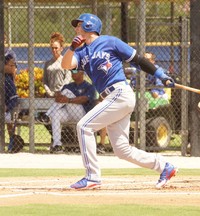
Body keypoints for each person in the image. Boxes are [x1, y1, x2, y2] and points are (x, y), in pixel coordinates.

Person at [61, 13, 177, 189]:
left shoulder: (110, 41)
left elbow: (138, 60)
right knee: (122, 150)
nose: (76, 28)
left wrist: (161, 75)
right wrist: (71, 48)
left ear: (89, 26)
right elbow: (66, 65)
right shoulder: (81, 51)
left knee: (84, 126)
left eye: (79, 25)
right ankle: (164, 166)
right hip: (111, 98)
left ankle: (92, 176)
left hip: (120, 93)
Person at [36, 68, 96, 153]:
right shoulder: (69, 85)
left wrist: (68, 100)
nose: (72, 73)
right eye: (71, 71)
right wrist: (58, 95)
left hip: (82, 115)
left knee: (67, 92)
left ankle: (47, 115)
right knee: (56, 114)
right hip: (68, 113)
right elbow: (59, 99)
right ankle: (57, 145)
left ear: (82, 72)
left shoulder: (89, 86)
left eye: (75, 71)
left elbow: (84, 99)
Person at [43, 32, 72, 98]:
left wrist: (59, 92)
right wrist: (50, 93)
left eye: (56, 48)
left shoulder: (65, 61)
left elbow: (67, 79)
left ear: (61, 48)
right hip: (50, 95)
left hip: (62, 95)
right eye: (52, 48)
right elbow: (45, 81)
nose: (54, 50)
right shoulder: (47, 63)